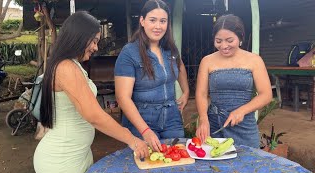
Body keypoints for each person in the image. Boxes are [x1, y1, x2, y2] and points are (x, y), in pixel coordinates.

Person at [33, 11, 149, 173]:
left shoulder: (72, 65)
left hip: (78, 155)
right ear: (78, 37)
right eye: (94, 41)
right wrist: (132, 139)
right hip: (62, 161)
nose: (96, 47)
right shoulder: (66, 67)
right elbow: (94, 116)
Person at [114, 0, 189, 152]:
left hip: (172, 117)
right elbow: (122, 97)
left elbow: (180, 66)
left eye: (163, 21)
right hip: (142, 119)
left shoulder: (170, 49)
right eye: (152, 20)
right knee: (147, 166)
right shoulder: (129, 53)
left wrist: (186, 92)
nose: (158, 26)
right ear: (142, 21)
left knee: (176, 160)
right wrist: (145, 131)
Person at [195, 14, 272, 148]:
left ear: (240, 37)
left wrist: (241, 111)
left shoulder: (254, 60)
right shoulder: (207, 61)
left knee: (248, 165)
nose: (224, 46)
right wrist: (203, 119)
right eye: (218, 41)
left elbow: (266, 95)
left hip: (244, 127)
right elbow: (201, 94)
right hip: (215, 126)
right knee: (215, 167)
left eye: (229, 40)